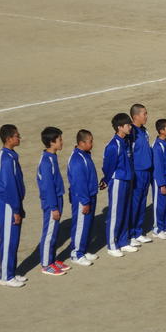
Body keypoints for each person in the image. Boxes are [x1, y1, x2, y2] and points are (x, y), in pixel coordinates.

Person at [101, 113, 139, 256]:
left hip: (127, 180)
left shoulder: (125, 141)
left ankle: (123, 241)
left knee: (125, 211)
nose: (130, 127)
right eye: (128, 125)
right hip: (118, 181)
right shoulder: (113, 146)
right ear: (119, 127)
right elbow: (108, 166)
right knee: (116, 213)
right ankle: (112, 245)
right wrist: (106, 180)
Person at [0, 124, 27, 287]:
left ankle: (11, 272)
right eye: (17, 136)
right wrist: (16, 209)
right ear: (9, 139)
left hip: (13, 203)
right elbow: (9, 186)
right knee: (8, 240)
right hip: (9, 204)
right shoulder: (7, 159)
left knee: (13, 239)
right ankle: (6, 277)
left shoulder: (10, 155)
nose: (19, 138)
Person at [67, 129, 103, 266]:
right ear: (81, 143)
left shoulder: (85, 154)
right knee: (80, 226)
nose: (92, 144)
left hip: (90, 195)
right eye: (90, 141)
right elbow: (79, 183)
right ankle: (76, 253)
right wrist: (85, 201)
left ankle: (83, 249)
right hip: (82, 198)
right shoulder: (77, 160)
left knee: (87, 225)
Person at [37, 126, 69, 276]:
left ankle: (52, 260)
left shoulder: (52, 157)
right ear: (52, 142)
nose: (62, 142)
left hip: (57, 199)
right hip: (52, 202)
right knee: (49, 233)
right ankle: (46, 264)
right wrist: (54, 207)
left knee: (54, 232)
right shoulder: (46, 162)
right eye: (59, 140)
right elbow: (48, 187)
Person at [128, 103, 153, 245]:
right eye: (144, 114)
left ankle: (138, 231)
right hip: (137, 173)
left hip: (146, 171)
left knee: (142, 203)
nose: (146, 116)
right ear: (135, 116)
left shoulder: (144, 130)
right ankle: (131, 234)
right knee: (135, 204)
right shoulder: (132, 133)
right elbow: (130, 155)